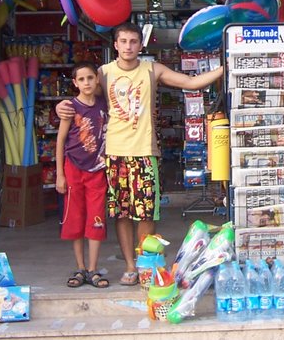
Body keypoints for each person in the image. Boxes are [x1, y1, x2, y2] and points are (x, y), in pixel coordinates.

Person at [58, 23, 224, 286]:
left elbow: (191, 82)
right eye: (123, 41)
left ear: (140, 45)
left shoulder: (152, 70)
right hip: (113, 155)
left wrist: (226, 67)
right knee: (122, 215)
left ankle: (147, 263)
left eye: (133, 41)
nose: (128, 46)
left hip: (145, 154)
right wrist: (62, 107)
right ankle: (130, 267)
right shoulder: (103, 73)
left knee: (146, 214)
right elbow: (84, 98)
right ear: (115, 45)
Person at [55, 62, 110, 288]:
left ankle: (92, 269)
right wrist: (60, 174)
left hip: (98, 169)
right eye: (81, 79)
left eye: (90, 78)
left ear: (97, 80)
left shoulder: (104, 105)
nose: (86, 83)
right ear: (75, 83)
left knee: (96, 219)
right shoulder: (70, 108)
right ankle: (79, 267)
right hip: (73, 168)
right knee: (75, 218)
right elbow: (60, 141)